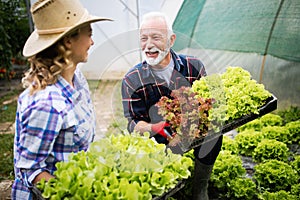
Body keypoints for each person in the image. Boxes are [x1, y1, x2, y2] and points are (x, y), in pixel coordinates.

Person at [11, 0, 111, 199]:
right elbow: (32, 171)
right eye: (89, 34)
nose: (92, 42)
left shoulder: (77, 79)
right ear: (68, 41)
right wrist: (80, 193)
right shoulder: (48, 104)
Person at [121, 11, 222, 200]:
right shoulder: (132, 79)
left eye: (156, 37)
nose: (148, 44)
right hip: (159, 138)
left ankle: (199, 188)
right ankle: (168, 184)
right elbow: (132, 123)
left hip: (194, 131)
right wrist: (153, 128)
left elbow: (207, 103)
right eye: (144, 38)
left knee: (214, 133)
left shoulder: (193, 66)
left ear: (171, 40)